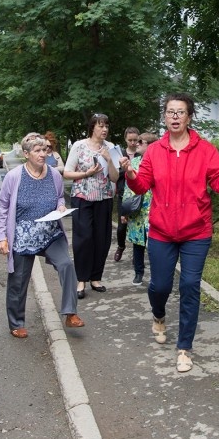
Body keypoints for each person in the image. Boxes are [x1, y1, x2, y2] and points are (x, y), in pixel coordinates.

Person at [121, 94, 219, 373]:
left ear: (189, 117)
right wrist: (131, 176)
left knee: (190, 286)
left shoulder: (205, 150)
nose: (175, 117)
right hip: (161, 230)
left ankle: (184, 348)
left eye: (180, 112)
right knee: (159, 286)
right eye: (170, 112)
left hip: (196, 230)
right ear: (165, 117)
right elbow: (142, 184)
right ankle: (158, 315)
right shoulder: (155, 151)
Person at [0, 133, 83, 337]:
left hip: (50, 232)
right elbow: (2, 206)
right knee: (18, 280)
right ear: (26, 154)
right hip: (23, 234)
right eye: (37, 150)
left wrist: (61, 206)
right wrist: (2, 236)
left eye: (44, 149)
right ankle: (16, 323)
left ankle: (70, 313)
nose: (43, 154)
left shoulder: (53, 174)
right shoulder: (15, 176)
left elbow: (60, 197)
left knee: (66, 265)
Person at [64, 113, 120, 299]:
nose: (104, 129)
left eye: (106, 126)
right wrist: (87, 173)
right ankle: (81, 279)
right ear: (92, 128)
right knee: (84, 239)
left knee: (101, 240)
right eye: (100, 126)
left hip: (104, 199)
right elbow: (66, 173)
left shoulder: (111, 147)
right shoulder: (79, 146)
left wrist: (110, 160)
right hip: (83, 198)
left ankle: (96, 277)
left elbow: (115, 177)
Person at [120, 132, 156, 286]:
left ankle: (156, 274)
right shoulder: (133, 162)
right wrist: (125, 211)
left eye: (141, 141)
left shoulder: (158, 161)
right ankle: (139, 272)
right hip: (137, 208)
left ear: (151, 145)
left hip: (154, 209)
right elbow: (128, 187)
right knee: (137, 243)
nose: (137, 144)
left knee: (155, 244)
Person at [114, 126, 142, 262]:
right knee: (122, 225)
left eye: (135, 140)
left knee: (138, 223)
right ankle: (121, 246)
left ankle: (138, 253)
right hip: (122, 194)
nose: (132, 143)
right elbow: (114, 174)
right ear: (125, 139)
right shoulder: (120, 154)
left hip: (138, 194)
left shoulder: (141, 154)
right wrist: (126, 169)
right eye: (130, 140)